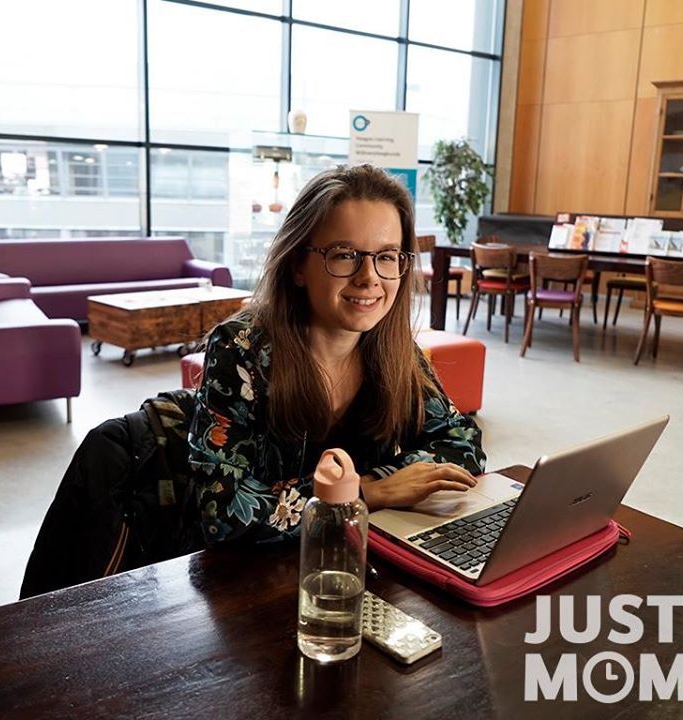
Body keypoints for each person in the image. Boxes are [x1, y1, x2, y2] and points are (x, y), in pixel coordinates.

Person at [183, 164, 486, 549]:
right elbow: (222, 513)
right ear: (298, 265)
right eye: (345, 255)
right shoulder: (240, 349)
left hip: (356, 555)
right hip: (258, 573)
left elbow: (462, 445)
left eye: (387, 256)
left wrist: (379, 484)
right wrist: (369, 492)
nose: (369, 277)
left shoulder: (393, 346)